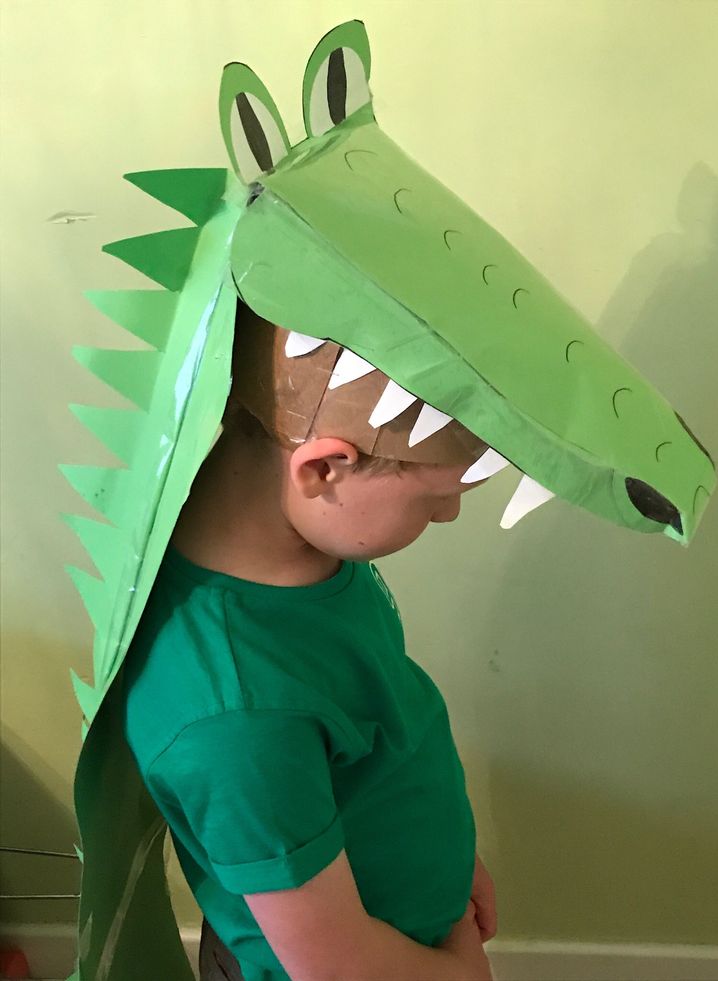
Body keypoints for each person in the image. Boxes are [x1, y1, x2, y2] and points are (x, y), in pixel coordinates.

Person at [122, 302, 497, 981]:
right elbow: (336, 965)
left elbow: (382, 717)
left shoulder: (304, 552)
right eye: (433, 497)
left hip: (406, 929)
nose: (450, 511)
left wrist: (452, 861)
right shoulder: (237, 715)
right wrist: (460, 973)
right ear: (324, 469)